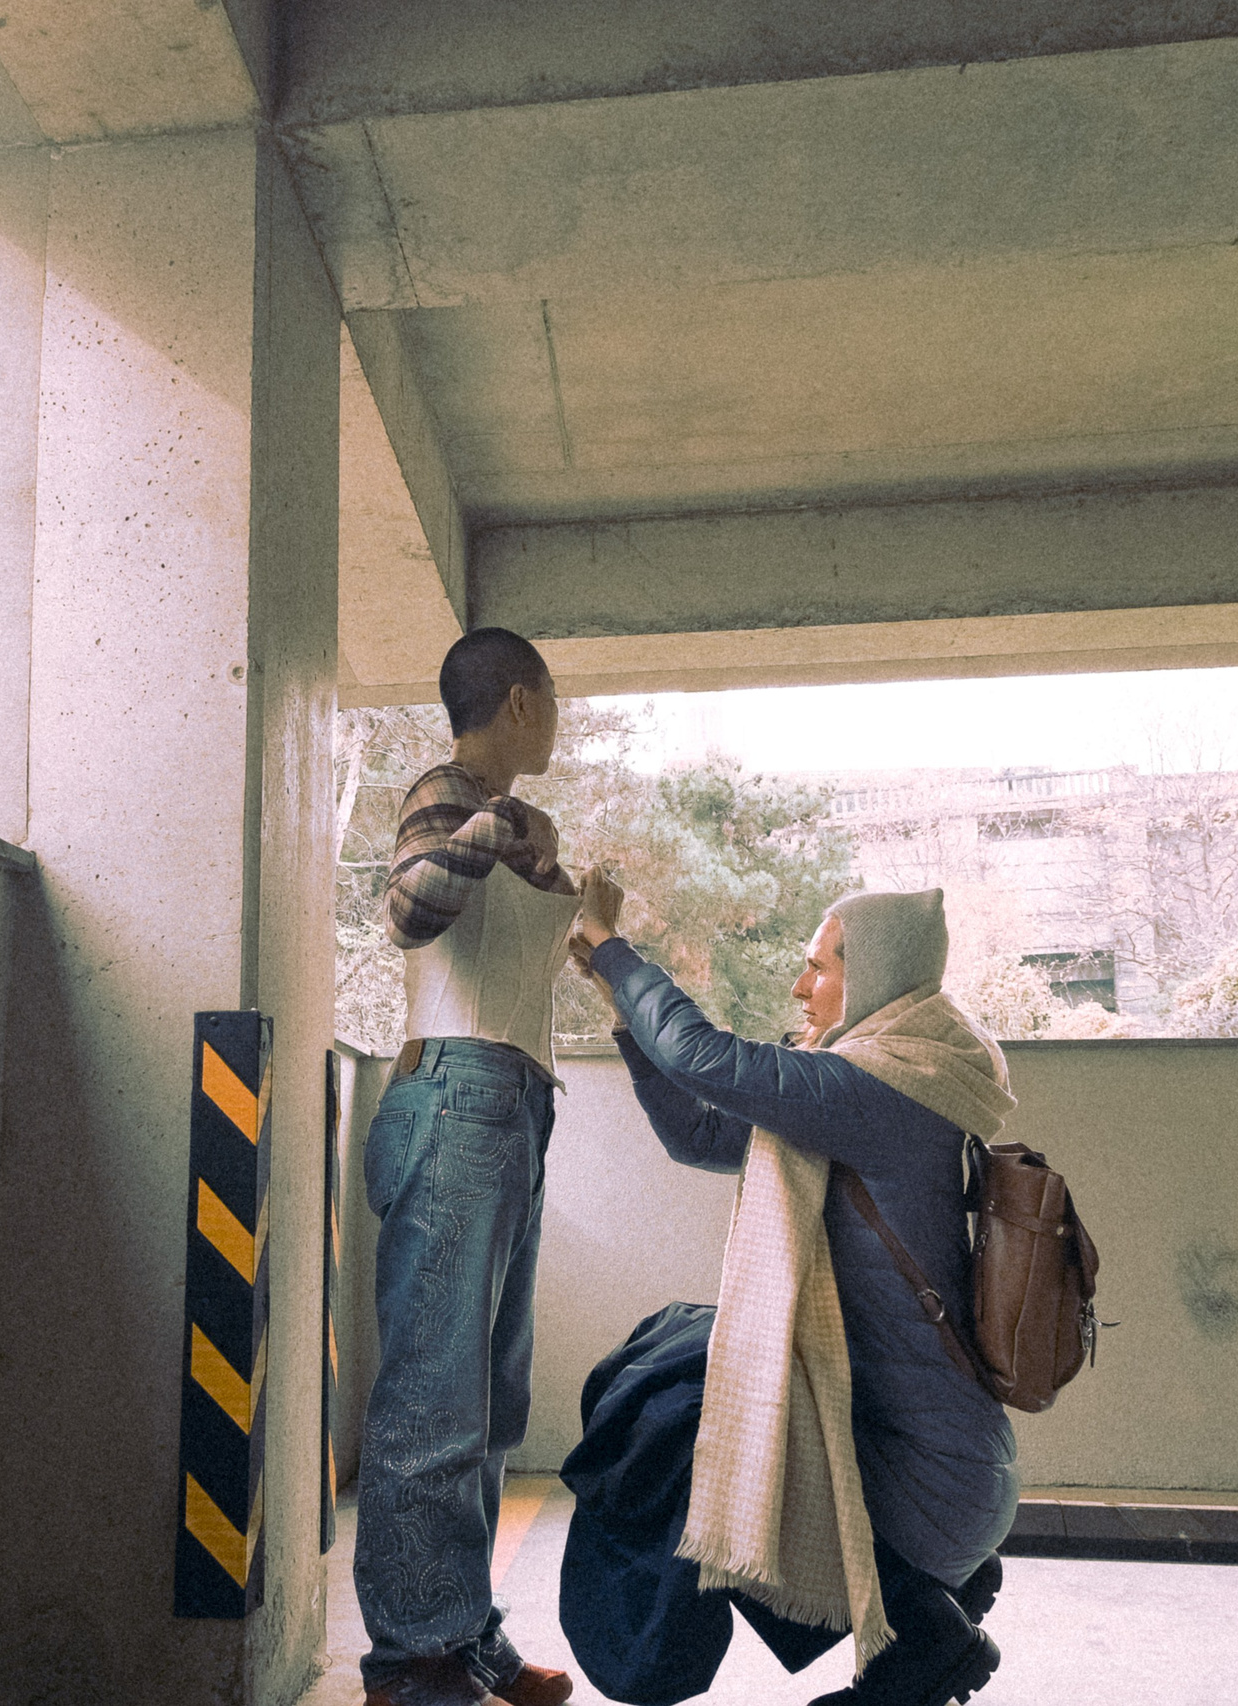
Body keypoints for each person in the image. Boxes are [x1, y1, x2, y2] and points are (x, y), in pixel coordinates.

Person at [563, 882, 1017, 1706]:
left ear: (873, 977)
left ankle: (923, 1631)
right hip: (945, 1476)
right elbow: (699, 1131)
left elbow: (702, 1057)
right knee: (680, 1344)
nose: (799, 989)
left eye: (817, 968)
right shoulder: (883, 1084)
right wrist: (624, 1010)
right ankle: (923, 1621)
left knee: (678, 1405)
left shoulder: (879, 1092)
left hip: (926, 1490)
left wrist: (613, 951)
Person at [355, 627, 615, 1706]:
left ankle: (460, 1627)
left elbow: (511, 952)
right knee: (433, 1396)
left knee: (490, 1399)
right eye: (550, 699)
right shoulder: (445, 790)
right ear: (517, 699)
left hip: (509, 1106)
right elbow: (409, 910)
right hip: (456, 1098)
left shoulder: (506, 821)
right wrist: (499, 820)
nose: (557, 717)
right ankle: (412, 1660)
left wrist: (587, 913)